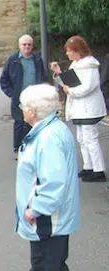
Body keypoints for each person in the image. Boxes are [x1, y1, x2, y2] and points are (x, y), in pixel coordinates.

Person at [1, 84, 79, 271]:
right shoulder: (53, 129)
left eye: (24, 106)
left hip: (48, 217)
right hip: (56, 215)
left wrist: (35, 209)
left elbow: (53, 182)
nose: (22, 109)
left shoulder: (47, 137)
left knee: (42, 268)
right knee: (55, 264)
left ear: (33, 111)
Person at [50, 36, 107, 182]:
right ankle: (89, 167)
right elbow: (71, 81)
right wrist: (59, 73)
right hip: (80, 108)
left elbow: (88, 86)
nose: (67, 54)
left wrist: (70, 91)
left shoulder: (90, 66)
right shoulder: (77, 64)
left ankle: (99, 170)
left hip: (89, 108)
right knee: (82, 138)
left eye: (69, 51)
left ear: (77, 51)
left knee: (90, 139)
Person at [0, 35, 47, 159]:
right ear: (19, 45)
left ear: (32, 45)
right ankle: (18, 148)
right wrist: (12, 94)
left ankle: (32, 148)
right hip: (19, 99)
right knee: (20, 123)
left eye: (29, 44)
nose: (27, 47)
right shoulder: (13, 60)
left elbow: (43, 77)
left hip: (35, 99)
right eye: (24, 44)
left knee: (34, 123)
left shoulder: (37, 59)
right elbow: (4, 80)